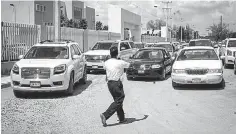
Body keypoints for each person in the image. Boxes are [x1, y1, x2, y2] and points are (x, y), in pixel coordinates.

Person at [100, 46, 130, 126]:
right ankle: (105, 115)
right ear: (117, 54)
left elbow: (104, 67)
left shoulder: (107, 62)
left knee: (117, 100)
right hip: (117, 83)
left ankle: (122, 118)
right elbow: (129, 65)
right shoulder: (120, 62)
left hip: (109, 84)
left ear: (110, 54)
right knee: (119, 100)